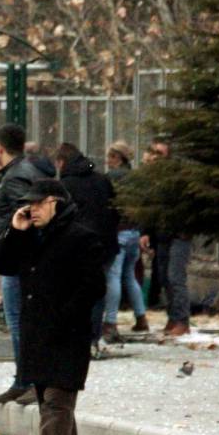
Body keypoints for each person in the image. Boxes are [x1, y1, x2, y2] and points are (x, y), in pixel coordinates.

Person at [0, 179, 105, 435]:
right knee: (49, 400)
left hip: (68, 334)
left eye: (38, 203)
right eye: (29, 204)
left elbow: (94, 287)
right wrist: (15, 230)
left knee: (57, 400)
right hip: (38, 334)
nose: (32, 210)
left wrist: (66, 317)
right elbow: (3, 265)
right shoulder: (33, 236)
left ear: (55, 201)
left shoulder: (81, 237)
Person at [0, 124, 49, 405]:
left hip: (18, 258)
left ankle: (28, 380)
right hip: (23, 257)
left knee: (18, 321)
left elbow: (25, 218)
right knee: (21, 320)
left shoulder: (14, 179)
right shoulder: (30, 171)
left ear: (0, 148)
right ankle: (23, 379)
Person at [54, 143, 119, 353]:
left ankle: (76, 338)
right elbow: (115, 210)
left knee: (73, 291)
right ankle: (93, 337)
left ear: (61, 162)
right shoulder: (102, 179)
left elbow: (61, 217)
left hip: (76, 246)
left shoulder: (65, 184)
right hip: (105, 244)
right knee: (96, 290)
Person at [140, 139, 191, 336]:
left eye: (159, 153)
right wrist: (146, 232)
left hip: (178, 233)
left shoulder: (178, 178)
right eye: (152, 152)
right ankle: (173, 316)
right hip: (162, 234)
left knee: (175, 277)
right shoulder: (152, 179)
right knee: (163, 278)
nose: (154, 156)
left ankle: (182, 320)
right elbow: (148, 206)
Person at [102, 141, 149, 336]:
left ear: (117, 158)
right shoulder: (138, 178)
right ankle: (141, 317)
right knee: (130, 276)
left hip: (119, 232)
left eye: (110, 157)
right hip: (134, 232)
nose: (107, 161)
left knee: (113, 276)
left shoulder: (110, 178)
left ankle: (110, 321)